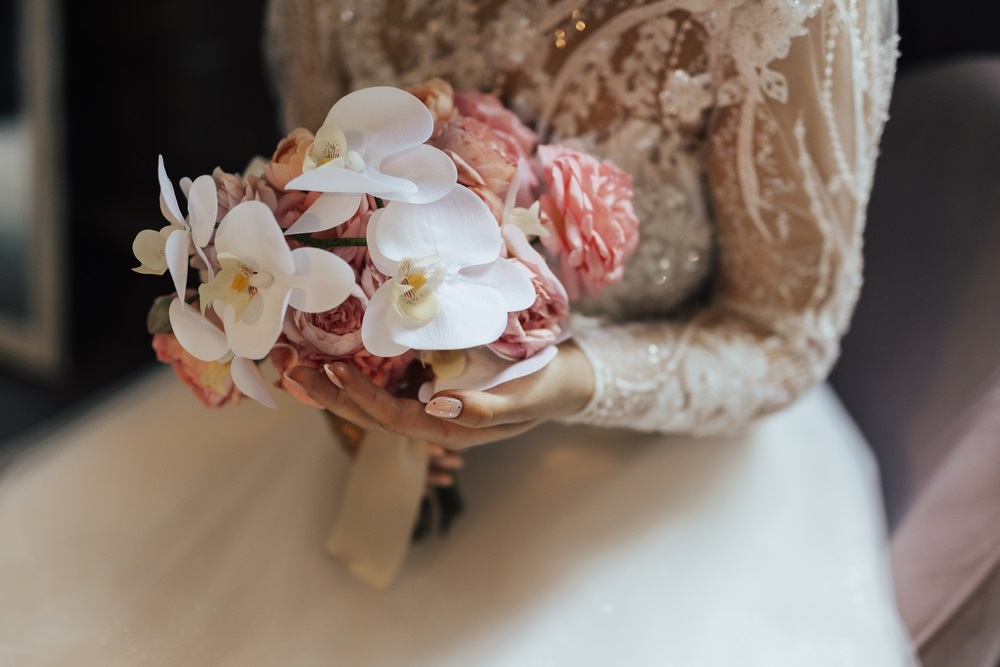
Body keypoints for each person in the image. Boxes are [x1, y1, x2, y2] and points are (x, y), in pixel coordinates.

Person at [0, 0, 918, 665]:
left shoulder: (785, 15)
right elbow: (318, 183)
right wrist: (338, 362)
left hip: (656, 470)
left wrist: (572, 380)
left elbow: (782, 333)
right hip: (374, 442)